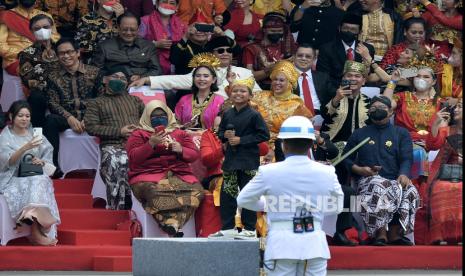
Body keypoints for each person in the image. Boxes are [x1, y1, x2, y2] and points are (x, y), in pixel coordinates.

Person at [237, 115, 344, 275]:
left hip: (281, 244)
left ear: (283, 144)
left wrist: (270, 204)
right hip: (314, 242)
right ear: (310, 144)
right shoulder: (327, 171)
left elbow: (243, 199)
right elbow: (337, 206)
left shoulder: (268, 171)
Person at [342, 95, 419, 246]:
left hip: (394, 179)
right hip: (369, 180)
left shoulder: (401, 133)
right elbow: (345, 158)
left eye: (382, 108)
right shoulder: (360, 133)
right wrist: (359, 169)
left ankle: (395, 234)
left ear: (391, 112)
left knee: (410, 190)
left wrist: (403, 174)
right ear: (369, 112)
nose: (377, 111)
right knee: (378, 186)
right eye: (373, 108)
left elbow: (406, 158)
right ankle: (380, 232)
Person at [126, 100, 204, 237]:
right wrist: (150, 144)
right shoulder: (138, 134)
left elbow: (193, 155)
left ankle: (171, 224)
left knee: (198, 191)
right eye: (154, 116)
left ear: (169, 115)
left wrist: (181, 150)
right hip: (148, 176)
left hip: (179, 174)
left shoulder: (180, 133)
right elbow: (134, 158)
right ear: (147, 117)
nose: (159, 118)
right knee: (154, 192)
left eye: (162, 115)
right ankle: (174, 224)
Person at [209, 76, 270, 238]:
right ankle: (228, 227)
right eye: (235, 90)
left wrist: (241, 140)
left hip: (248, 160)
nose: (238, 94)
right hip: (231, 160)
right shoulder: (228, 113)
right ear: (230, 94)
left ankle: (249, 229)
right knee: (227, 194)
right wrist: (225, 135)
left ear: (249, 95)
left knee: (248, 193)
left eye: (243, 91)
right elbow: (220, 132)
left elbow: (264, 134)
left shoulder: (254, 115)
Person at [129, 36, 261, 104]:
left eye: (229, 50)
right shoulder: (203, 72)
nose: (225, 53)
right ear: (212, 53)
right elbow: (176, 80)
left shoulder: (245, 72)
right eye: (220, 51)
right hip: (211, 115)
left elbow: (259, 95)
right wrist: (147, 79)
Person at [0, 100, 60, 246]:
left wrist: (41, 162)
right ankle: (36, 230)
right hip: (12, 177)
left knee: (39, 179)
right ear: (12, 116)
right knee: (38, 181)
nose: (25, 119)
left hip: (34, 175)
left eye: (27, 116)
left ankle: (31, 226)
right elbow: (7, 162)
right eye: (21, 115)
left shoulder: (36, 135)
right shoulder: (5, 137)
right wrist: (25, 147)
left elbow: (48, 162)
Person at [83, 67, 145, 210]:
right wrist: (119, 131)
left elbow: (147, 121)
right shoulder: (96, 103)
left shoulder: (135, 101)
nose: (119, 81)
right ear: (105, 80)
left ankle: (138, 201)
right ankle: (120, 207)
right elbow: (91, 127)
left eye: (123, 79)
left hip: (137, 145)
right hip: (112, 146)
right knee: (117, 162)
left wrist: (139, 130)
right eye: (115, 77)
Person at [43, 38, 101, 173]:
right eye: (62, 53)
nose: (66, 56)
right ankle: (53, 166)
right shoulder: (53, 76)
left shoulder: (94, 72)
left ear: (78, 53)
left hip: (92, 117)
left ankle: (105, 166)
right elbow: (52, 102)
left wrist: (89, 118)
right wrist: (68, 117)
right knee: (50, 120)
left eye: (69, 52)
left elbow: (102, 99)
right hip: (67, 118)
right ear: (57, 56)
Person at [384, 65, 443, 181]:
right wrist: (393, 81)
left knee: (419, 152)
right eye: (418, 76)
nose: (421, 79)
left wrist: (428, 143)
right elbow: (385, 104)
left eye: (426, 77)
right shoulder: (403, 96)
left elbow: (441, 129)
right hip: (403, 141)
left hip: (430, 143)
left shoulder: (440, 102)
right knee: (416, 152)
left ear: (433, 81)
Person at [252, 59, 313, 163]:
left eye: (281, 80)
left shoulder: (297, 106)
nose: (277, 83)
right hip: (254, 143)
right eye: (275, 79)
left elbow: (296, 137)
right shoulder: (260, 96)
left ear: (290, 83)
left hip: (281, 149)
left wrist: (274, 149)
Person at [425, 98, 462, 245]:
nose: (456, 110)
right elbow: (432, 145)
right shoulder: (447, 130)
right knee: (442, 187)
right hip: (447, 173)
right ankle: (442, 235)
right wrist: (436, 123)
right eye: (456, 107)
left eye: (460, 107)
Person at [92, 11, 161, 81]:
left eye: (132, 30)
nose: (128, 33)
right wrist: (109, 77)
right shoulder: (105, 47)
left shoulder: (148, 46)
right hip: (114, 86)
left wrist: (142, 77)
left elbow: (157, 70)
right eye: (125, 29)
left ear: (138, 29)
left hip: (143, 86)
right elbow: (95, 71)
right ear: (118, 28)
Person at [18, 14, 60, 127]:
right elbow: (28, 81)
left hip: (66, 90)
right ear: (32, 32)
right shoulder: (26, 54)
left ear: (52, 28)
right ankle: (37, 135)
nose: (42, 30)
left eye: (46, 27)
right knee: (36, 97)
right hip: (43, 93)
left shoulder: (62, 48)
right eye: (37, 28)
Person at [0, 0, 59, 76]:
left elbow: (54, 40)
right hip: (15, 60)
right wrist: (25, 55)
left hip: (42, 58)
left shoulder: (46, 16)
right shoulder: (6, 16)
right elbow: (1, 46)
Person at [316, 12, 375, 88]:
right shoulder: (327, 49)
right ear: (339, 28)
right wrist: (346, 87)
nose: (348, 32)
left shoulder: (368, 49)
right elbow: (323, 76)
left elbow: (369, 75)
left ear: (359, 32)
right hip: (335, 89)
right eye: (345, 28)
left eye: (353, 29)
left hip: (361, 90)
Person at [242, 12, 297, 90]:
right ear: (264, 30)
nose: (277, 34)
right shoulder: (252, 49)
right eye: (273, 31)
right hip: (261, 90)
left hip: (285, 89)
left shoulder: (286, 47)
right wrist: (274, 68)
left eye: (279, 31)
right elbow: (248, 76)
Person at [174, 54, 224, 129]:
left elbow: (223, 127)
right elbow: (175, 124)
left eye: (206, 76)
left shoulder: (220, 101)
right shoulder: (184, 100)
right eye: (198, 76)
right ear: (193, 79)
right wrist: (184, 127)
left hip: (211, 139)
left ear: (213, 80)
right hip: (186, 138)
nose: (201, 79)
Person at [379, 17, 448, 71]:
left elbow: (440, 70)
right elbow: (383, 70)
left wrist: (431, 56)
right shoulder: (395, 49)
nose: (418, 35)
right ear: (405, 32)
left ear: (425, 33)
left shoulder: (430, 49)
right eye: (414, 32)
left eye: (421, 33)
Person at [139, 0, 187, 75]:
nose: (167, 5)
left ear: (177, 6)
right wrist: (155, 44)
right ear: (157, 4)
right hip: (151, 64)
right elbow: (136, 42)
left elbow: (185, 45)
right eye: (164, 2)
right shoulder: (145, 21)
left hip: (175, 65)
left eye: (172, 3)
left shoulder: (181, 24)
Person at [292, 43, 335, 117]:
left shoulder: (323, 77)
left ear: (314, 59)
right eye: (300, 55)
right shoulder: (286, 77)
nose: (303, 58)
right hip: (296, 117)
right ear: (294, 57)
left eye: (308, 56)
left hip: (321, 116)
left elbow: (334, 95)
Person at [168, 9, 211, 75]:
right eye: (196, 28)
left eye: (204, 28)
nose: (200, 32)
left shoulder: (212, 46)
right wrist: (185, 36)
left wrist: (221, 35)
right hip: (184, 83)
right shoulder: (181, 45)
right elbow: (174, 59)